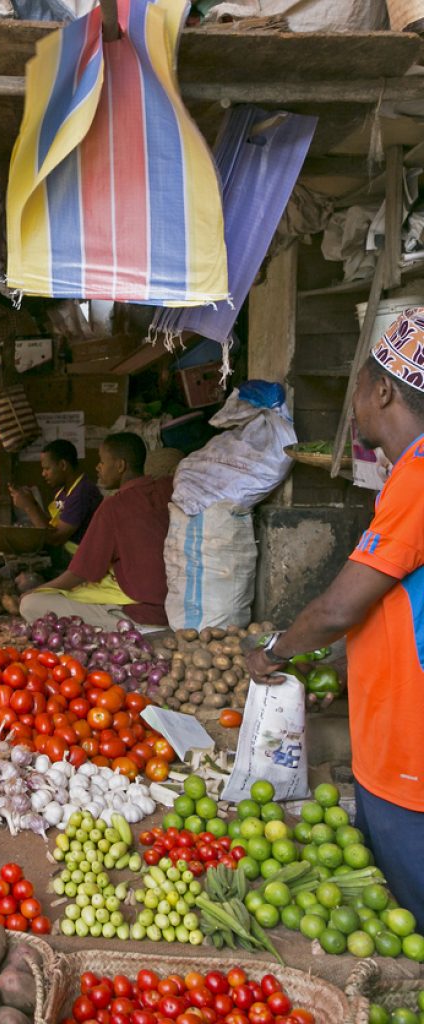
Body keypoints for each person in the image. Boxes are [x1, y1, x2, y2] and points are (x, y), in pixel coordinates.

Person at [245, 309, 424, 925]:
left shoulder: (420, 477)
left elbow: (339, 605)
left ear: (384, 390)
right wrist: (344, 664)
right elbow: (395, 601)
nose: (353, 403)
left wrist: (273, 652)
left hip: (412, 751)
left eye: (357, 386)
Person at [19, 432, 173, 629]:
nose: (98, 467)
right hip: (173, 604)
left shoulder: (114, 506)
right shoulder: (165, 489)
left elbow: (80, 573)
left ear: (120, 465)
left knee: (31, 604)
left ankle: (131, 629)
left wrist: (39, 590)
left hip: (141, 613)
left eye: (102, 461)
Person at [9, 439, 102, 572]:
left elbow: (55, 538)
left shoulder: (82, 493)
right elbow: (53, 527)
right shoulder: (62, 491)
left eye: (47, 468)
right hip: (66, 559)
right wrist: (32, 502)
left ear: (63, 465)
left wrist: (29, 507)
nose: (43, 474)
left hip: (82, 565)